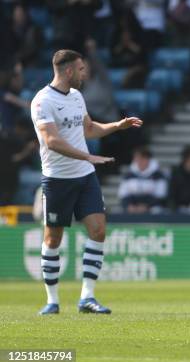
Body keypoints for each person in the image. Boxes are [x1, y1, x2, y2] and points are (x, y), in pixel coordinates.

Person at [30, 49, 143, 315]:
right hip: (57, 180)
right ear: (68, 71)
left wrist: (117, 125)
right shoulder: (42, 101)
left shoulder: (77, 97)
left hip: (84, 177)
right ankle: (52, 300)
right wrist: (88, 155)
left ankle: (87, 298)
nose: (84, 73)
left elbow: (89, 128)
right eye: (81, 69)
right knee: (53, 237)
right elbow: (51, 141)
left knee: (98, 230)